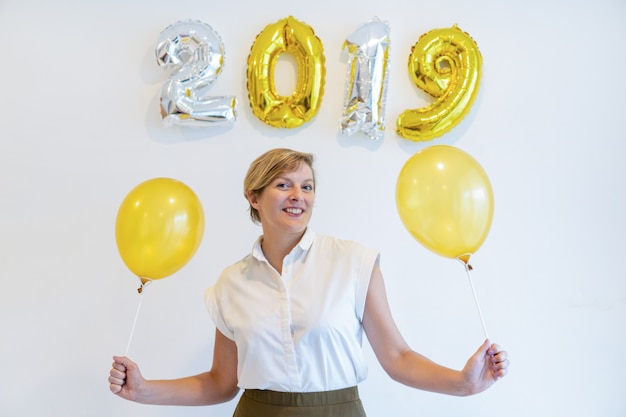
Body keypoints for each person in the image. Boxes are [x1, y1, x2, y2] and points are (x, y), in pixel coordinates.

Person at [109, 148, 509, 416]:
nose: (298, 195)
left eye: (307, 186)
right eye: (283, 184)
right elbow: (220, 382)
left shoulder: (354, 262)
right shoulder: (231, 282)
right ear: (254, 196)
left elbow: (399, 358)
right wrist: (144, 390)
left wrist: (463, 384)